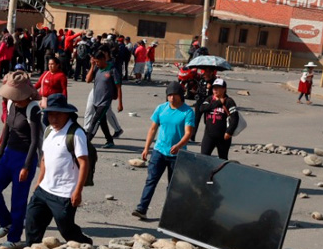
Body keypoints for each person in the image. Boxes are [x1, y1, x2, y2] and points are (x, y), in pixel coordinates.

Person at [23, 93, 93, 245]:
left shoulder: (76, 133)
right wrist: (39, 182)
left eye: (57, 115)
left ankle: (85, 244)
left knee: (66, 229)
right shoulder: (49, 130)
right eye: (50, 115)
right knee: (32, 221)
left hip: (64, 193)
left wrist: (78, 191)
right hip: (44, 189)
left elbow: (84, 163)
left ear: (67, 114)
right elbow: (44, 159)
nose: (53, 119)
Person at [0, 72, 43, 249]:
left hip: (24, 157)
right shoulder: (12, 104)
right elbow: (7, 128)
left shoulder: (33, 108)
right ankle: (7, 222)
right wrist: (0, 153)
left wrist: (26, 166)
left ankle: (14, 238)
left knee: (18, 199)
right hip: (8, 154)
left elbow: (34, 141)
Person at [132, 82, 194, 220]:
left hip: (177, 154)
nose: (172, 98)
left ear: (181, 95)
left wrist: (179, 145)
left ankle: (169, 214)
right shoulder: (161, 109)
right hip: (159, 151)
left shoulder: (188, 112)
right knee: (151, 180)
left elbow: (188, 133)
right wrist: (146, 148)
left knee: (173, 186)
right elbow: (153, 129)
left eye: (175, 95)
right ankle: (142, 208)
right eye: (169, 95)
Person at [83, 46, 121, 148]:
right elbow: (87, 80)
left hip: (105, 102)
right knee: (103, 122)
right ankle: (109, 140)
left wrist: (120, 103)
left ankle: (86, 141)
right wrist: (92, 66)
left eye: (98, 62)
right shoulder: (96, 68)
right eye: (95, 62)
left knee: (95, 121)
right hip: (96, 100)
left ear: (103, 59)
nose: (97, 64)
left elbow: (118, 86)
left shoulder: (112, 70)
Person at [199, 79, 239, 160]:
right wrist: (218, 103)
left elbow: (235, 118)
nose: (215, 90)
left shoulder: (229, 101)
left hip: (223, 137)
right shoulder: (209, 99)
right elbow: (202, 108)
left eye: (218, 88)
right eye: (214, 88)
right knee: (203, 158)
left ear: (224, 89)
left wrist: (229, 132)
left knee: (223, 159)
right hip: (209, 135)